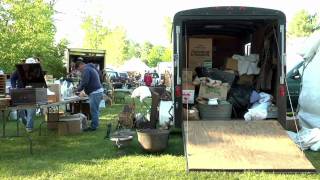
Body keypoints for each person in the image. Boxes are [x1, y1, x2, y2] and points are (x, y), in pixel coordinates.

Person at [10, 58, 38, 132]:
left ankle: (29, 127)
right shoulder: (19, 70)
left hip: (32, 92)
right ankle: (25, 122)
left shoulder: (36, 71)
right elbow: (12, 78)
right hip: (20, 92)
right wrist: (14, 87)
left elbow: (39, 82)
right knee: (21, 111)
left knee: (31, 110)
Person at [75, 60, 103, 131]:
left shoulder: (86, 69)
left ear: (81, 65)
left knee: (94, 110)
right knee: (94, 110)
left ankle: (94, 127)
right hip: (96, 92)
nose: (79, 71)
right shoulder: (89, 68)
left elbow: (85, 82)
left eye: (79, 69)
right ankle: (95, 125)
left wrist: (77, 89)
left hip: (95, 92)